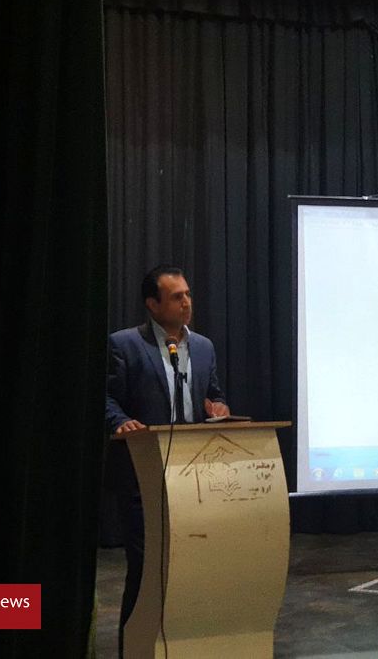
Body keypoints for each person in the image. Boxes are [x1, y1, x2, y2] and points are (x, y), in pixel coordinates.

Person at [104, 265, 230, 651]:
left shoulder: (203, 346)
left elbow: (213, 393)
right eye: (177, 297)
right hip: (144, 476)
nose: (187, 302)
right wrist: (120, 421)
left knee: (190, 568)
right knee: (146, 569)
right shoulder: (124, 344)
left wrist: (219, 407)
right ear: (152, 304)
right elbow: (105, 397)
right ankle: (135, 648)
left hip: (194, 478)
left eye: (188, 294)